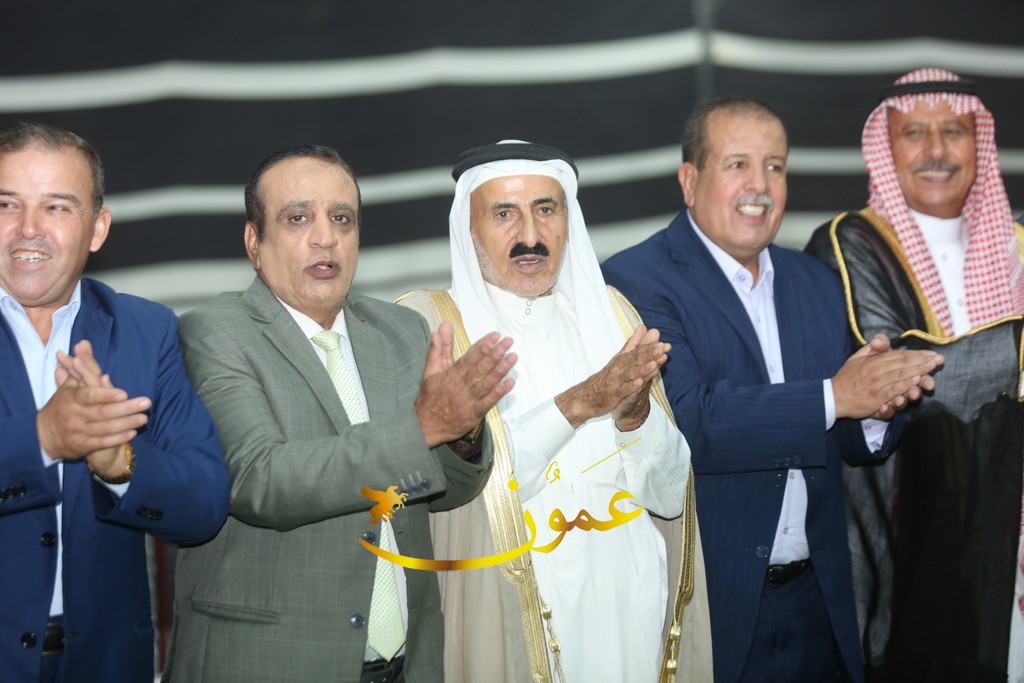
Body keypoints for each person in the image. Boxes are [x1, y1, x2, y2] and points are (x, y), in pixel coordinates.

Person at [602, 98, 944, 683]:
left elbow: (847, 440)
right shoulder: (635, 279)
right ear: (690, 181)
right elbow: (691, 423)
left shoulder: (815, 280)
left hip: (821, 598)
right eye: (737, 164)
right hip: (712, 602)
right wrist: (837, 397)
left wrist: (878, 405)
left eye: (775, 167)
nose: (759, 186)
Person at [161, 144, 517, 683]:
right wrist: (426, 425)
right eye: (298, 218)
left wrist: (463, 432)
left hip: (409, 662)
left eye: (342, 219)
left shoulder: (400, 331)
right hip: (271, 663)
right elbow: (261, 480)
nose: (325, 237)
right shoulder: (214, 332)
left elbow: (448, 490)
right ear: (254, 242)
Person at [398, 140, 712, 683]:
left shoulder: (612, 315)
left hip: (628, 620)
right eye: (504, 214)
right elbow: (473, 487)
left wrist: (634, 418)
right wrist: (582, 401)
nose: (530, 234)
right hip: (512, 624)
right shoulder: (432, 328)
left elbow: (668, 497)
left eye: (546, 209)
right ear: (468, 228)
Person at [806, 68, 1024, 682]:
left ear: (978, 143)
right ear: (886, 145)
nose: (935, 150)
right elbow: (901, 373)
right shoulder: (849, 244)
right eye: (914, 133)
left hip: (1007, 524)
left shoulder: (1015, 247)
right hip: (908, 531)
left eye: (952, 131)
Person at [0, 122, 230, 683]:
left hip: (105, 663)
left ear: (97, 228)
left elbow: (205, 503)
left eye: (57, 207)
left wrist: (120, 464)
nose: (28, 229)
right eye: (6, 205)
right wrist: (43, 439)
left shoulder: (145, 329)